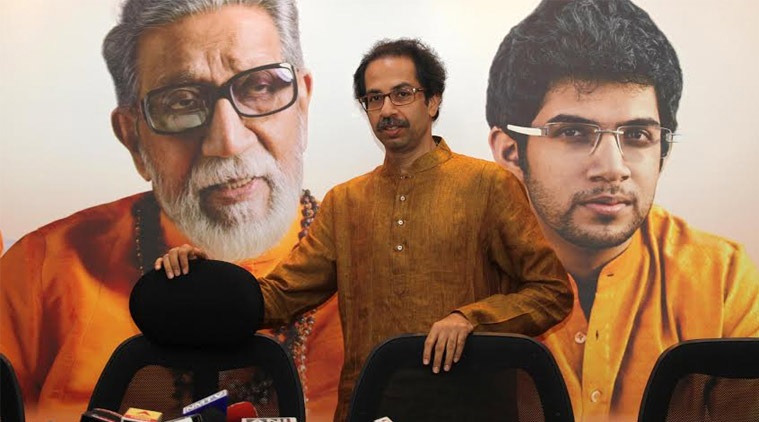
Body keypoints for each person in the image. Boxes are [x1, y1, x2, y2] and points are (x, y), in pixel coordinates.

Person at [159, 38, 573, 421]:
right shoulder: (346, 202)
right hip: (370, 406)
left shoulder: (488, 185)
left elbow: (550, 292)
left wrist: (471, 319)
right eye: (374, 98)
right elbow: (279, 297)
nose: (387, 109)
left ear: (432, 101)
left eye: (402, 94)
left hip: (469, 408)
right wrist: (203, 277)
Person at [0, 1, 344, 421]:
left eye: (258, 87)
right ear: (133, 138)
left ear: (302, 104)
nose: (228, 142)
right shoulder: (42, 273)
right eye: (181, 102)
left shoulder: (371, 265)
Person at [485, 0, 759, 420]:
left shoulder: (721, 279)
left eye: (637, 135)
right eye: (573, 132)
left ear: (663, 150)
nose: (613, 168)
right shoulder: (455, 272)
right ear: (510, 151)